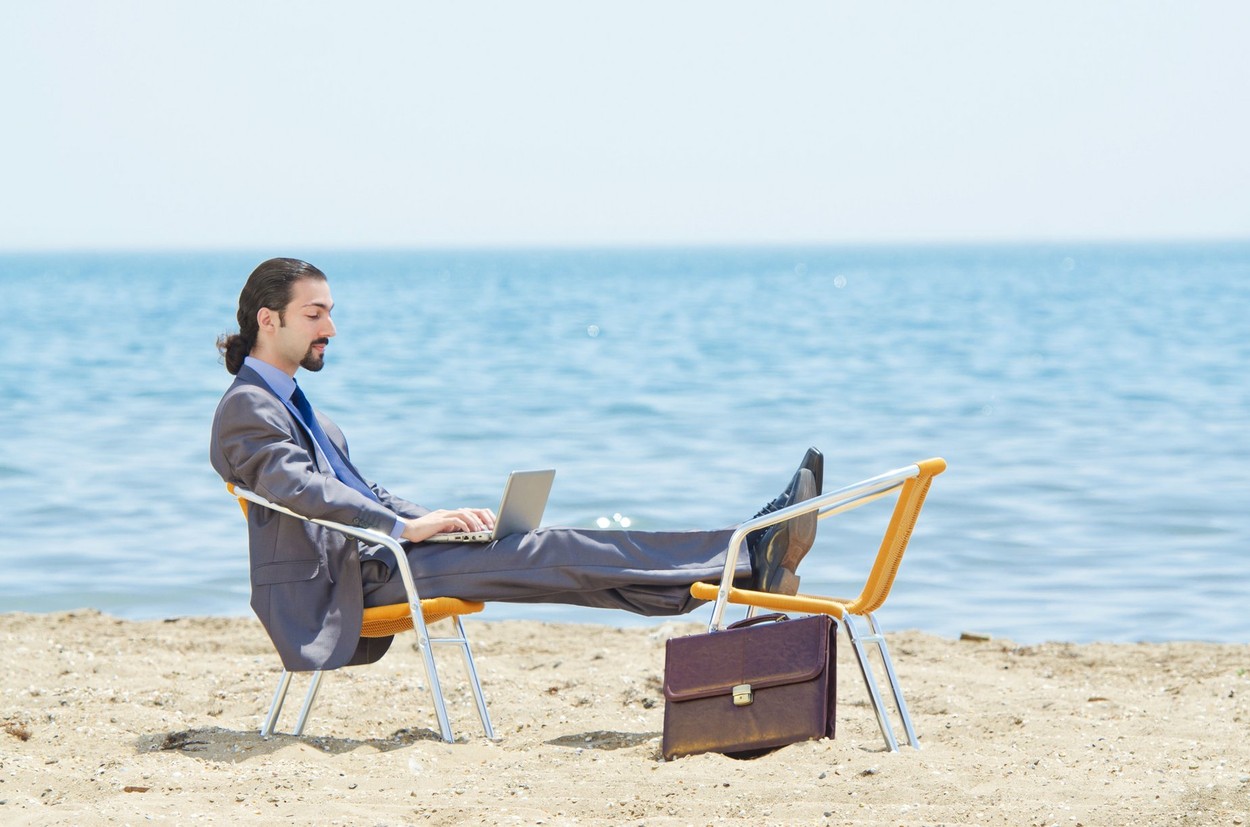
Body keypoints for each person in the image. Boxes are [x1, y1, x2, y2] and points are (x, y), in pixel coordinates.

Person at [211, 257, 822, 672]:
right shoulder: (248, 407)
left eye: (329, 311)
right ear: (271, 320)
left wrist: (437, 519)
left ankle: (735, 565)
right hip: (343, 584)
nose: (331, 328)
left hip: (377, 559)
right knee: (544, 553)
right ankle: (745, 551)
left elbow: (363, 490)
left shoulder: (298, 407)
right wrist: (402, 531)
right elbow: (298, 489)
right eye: (315, 313)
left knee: (545, 553)